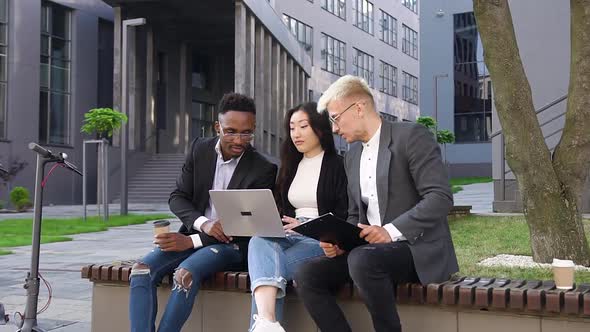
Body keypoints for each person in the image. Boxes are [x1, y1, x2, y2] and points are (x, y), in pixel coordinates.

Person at [294, 75, 459, 332]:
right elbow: (352, 214)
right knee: (307, 274)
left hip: (416, 249)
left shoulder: (412, 136)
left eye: (335, 118)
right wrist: (339, 242)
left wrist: (389, 231)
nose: (334, 128)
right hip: (369, 254)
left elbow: (440, 197)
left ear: (359, 108)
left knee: (362, 260)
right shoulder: (352, 156)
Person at [128, 92, 278, 332]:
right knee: (141, 270)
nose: (239, 140)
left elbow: (247, 227)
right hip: (196, 234)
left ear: (253, 129)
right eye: (231, 131)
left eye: (246, 132)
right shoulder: (200, 149)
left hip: (234, 246)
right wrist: (202, 224)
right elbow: (178, 197)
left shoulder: (263, 169)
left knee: (184, 274)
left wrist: (191, 240)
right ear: (217, 127)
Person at [248, 102, 348, 332]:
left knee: (268, 271)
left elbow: (343, 215)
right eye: (292, 127)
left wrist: (305, 225)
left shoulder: (337, 166)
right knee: (258, 240)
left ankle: (265, 322)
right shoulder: (290, 165)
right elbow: (282, 208)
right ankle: (268, 321)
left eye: (303, 126)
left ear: (320, 129)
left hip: (319, 241)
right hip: (289, 236)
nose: (296, 133)